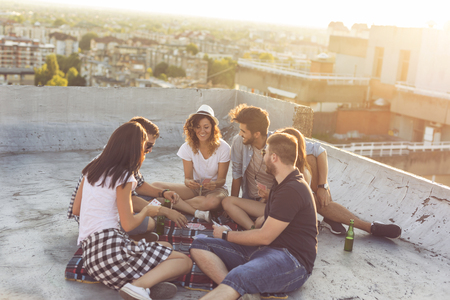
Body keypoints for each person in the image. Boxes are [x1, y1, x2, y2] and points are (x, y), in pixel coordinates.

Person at [222, 104, 402, 238]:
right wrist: (235, 205)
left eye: (243, 131)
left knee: (313, 189)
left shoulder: (278, 143)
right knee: (229, 203)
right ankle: (254, 229)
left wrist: (323, 185)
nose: (239, 134)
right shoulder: (239, 143)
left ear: (257, 133)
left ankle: (370, 227)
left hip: (278, 201)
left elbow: (318, 150)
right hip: (255, 202)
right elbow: (237, 175)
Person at [72, 122, 192, 300]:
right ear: (134, 148)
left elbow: (76, 209)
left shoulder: (91, 169)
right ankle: (138, 286)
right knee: (184, 262)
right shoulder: (124, 175)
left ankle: (143, 285)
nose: (145, 152)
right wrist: (147, 211)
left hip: (92, 259)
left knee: (165, 248)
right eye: (145, 147)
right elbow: (128, 225)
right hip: (111, 253)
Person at [190, 133, 318, 299]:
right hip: (266, 250)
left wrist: (225, 234)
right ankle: (240, 292)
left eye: (265, 153)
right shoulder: (282, 184)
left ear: (274, 157)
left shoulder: (292, 189)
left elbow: (264, 237)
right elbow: (265, 226)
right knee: (200, 244)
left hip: (291, 261)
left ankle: (236, 286)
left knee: (240, 274)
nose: (262, 157)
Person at [67, 117, 188, 240]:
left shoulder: (95, 166)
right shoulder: (123, 172)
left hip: (87, 232)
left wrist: (163, 193)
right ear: (135, 143)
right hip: (107, 235)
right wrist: (157, 211)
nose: (150, 150)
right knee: (150, 223)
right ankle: (134, 240)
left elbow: (140, 186)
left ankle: (136, 239)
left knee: (152, 203)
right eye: (148, 145)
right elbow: (129, 217)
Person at [152, 105, 231, 223]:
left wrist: (214, 184)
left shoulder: (224, 148)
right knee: (156, 185)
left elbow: (222, 180)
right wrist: (189, 182)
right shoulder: (187, 147)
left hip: (216, 190)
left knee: (211, 202)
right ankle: (189, 205)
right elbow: (187, 178)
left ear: (213, 128)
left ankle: (167, 203)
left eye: (206, 127)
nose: (202, 131)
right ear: (193, 128)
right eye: (198, 127)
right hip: (195, 189)